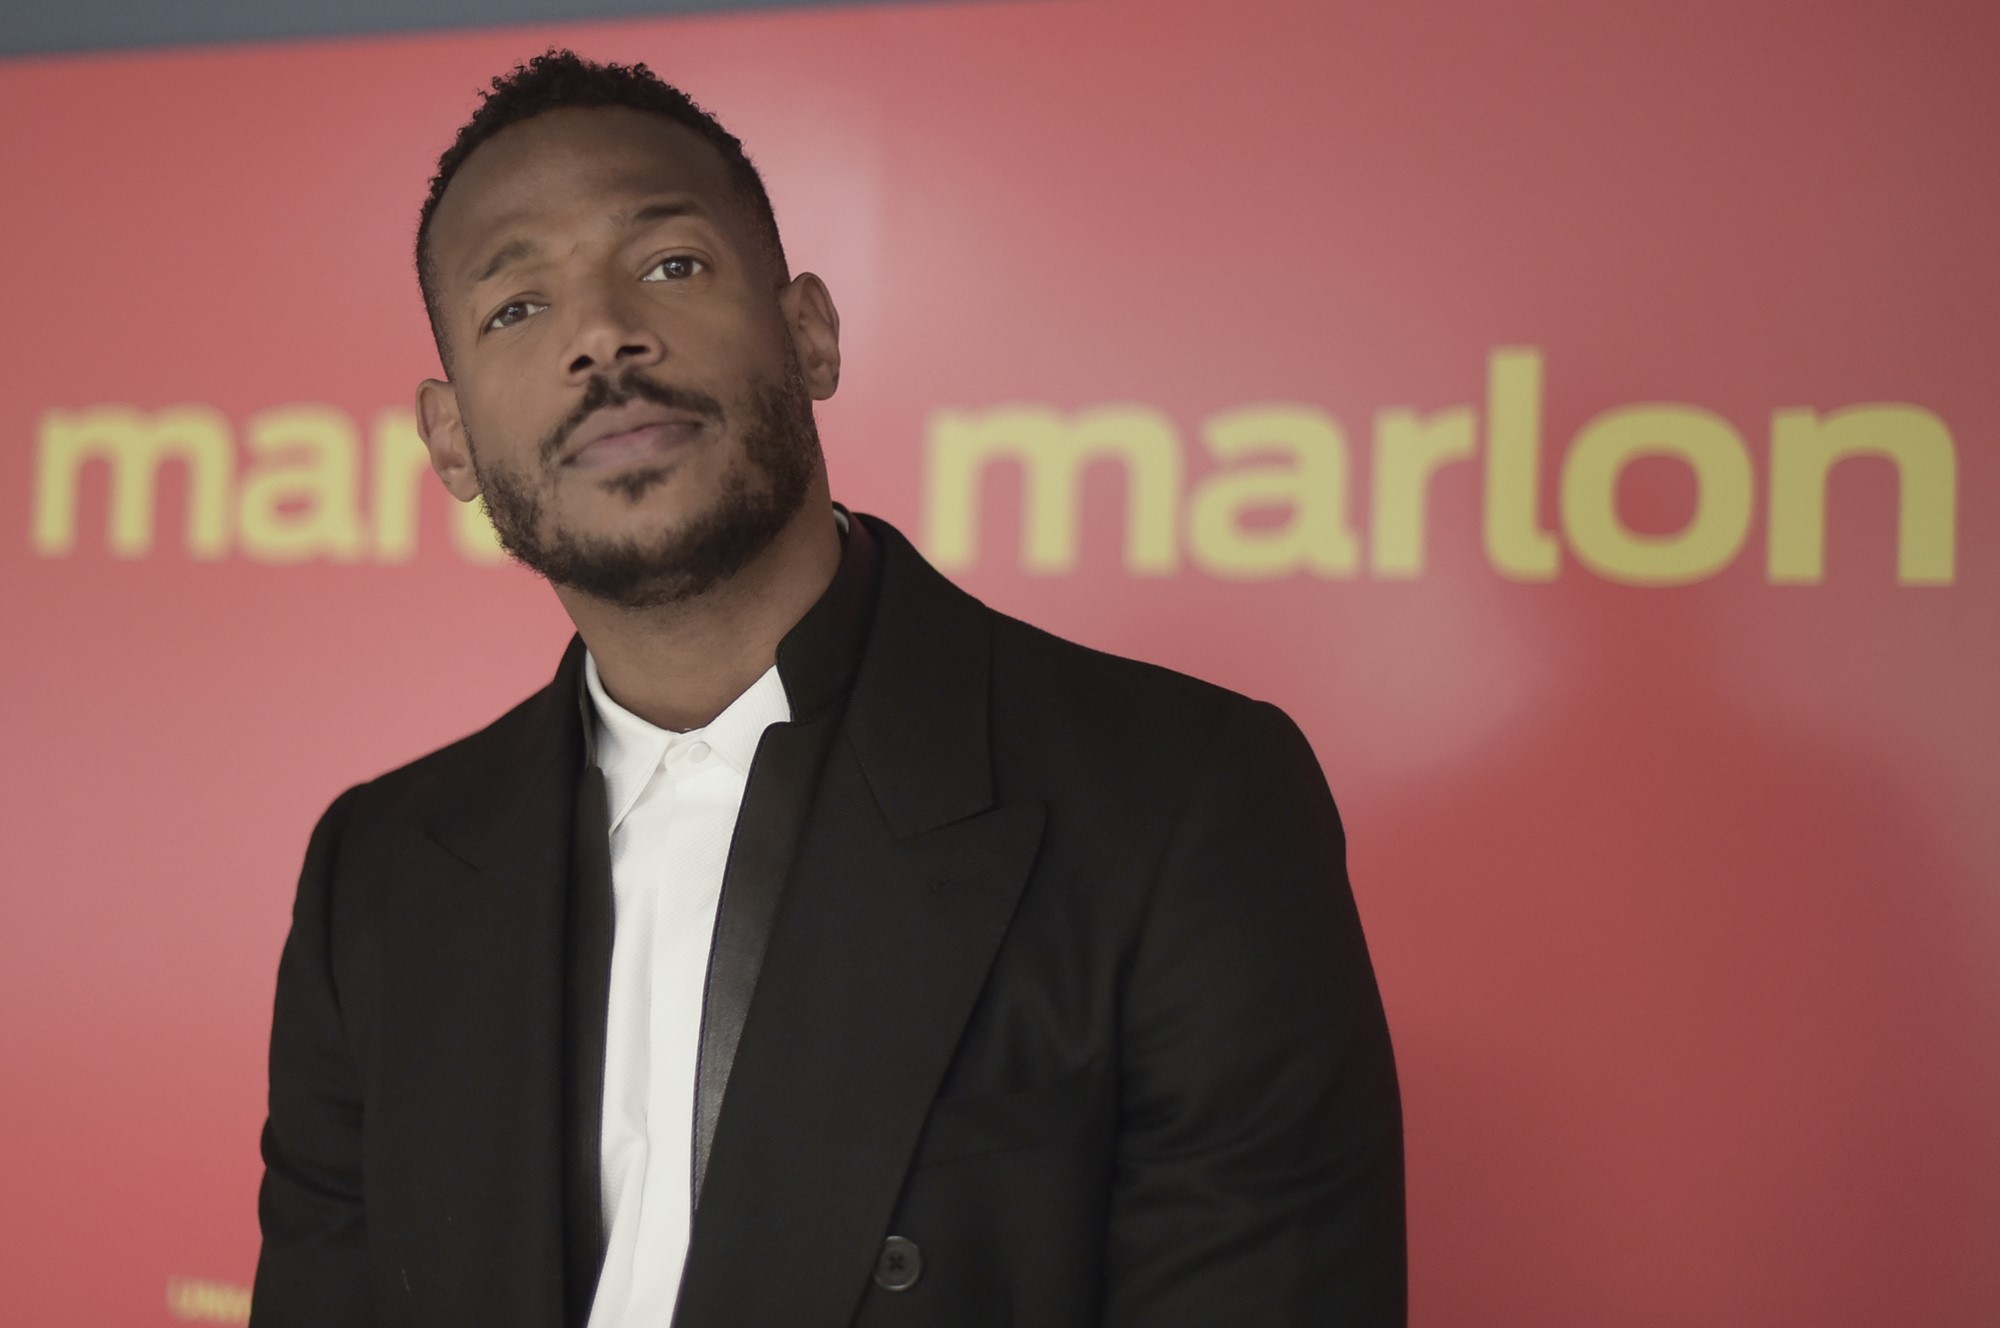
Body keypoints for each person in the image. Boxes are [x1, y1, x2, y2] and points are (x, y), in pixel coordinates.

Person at [249, 49, 1404, 1328]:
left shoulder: (1182, 801)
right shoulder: (379, 870)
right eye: (514, 308)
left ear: (810, 332)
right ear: (451, 439)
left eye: (669, 264)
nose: (599, 334)